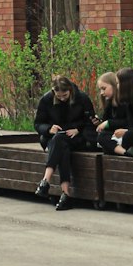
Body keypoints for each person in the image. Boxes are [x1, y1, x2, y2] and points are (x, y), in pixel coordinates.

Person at [33, 74, 97, 210]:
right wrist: (49, 129)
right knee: (62, 147)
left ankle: (45, 181)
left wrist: (78, 130)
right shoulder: (46, 99)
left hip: (77, 138)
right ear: (53, 91)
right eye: (59, 96)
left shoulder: (82, 98)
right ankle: (65, 194)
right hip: (55, 137)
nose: (62, 99)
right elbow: (38, 124)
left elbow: (90, 122)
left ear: (70, 90)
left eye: (65, 95)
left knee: (60, 143)